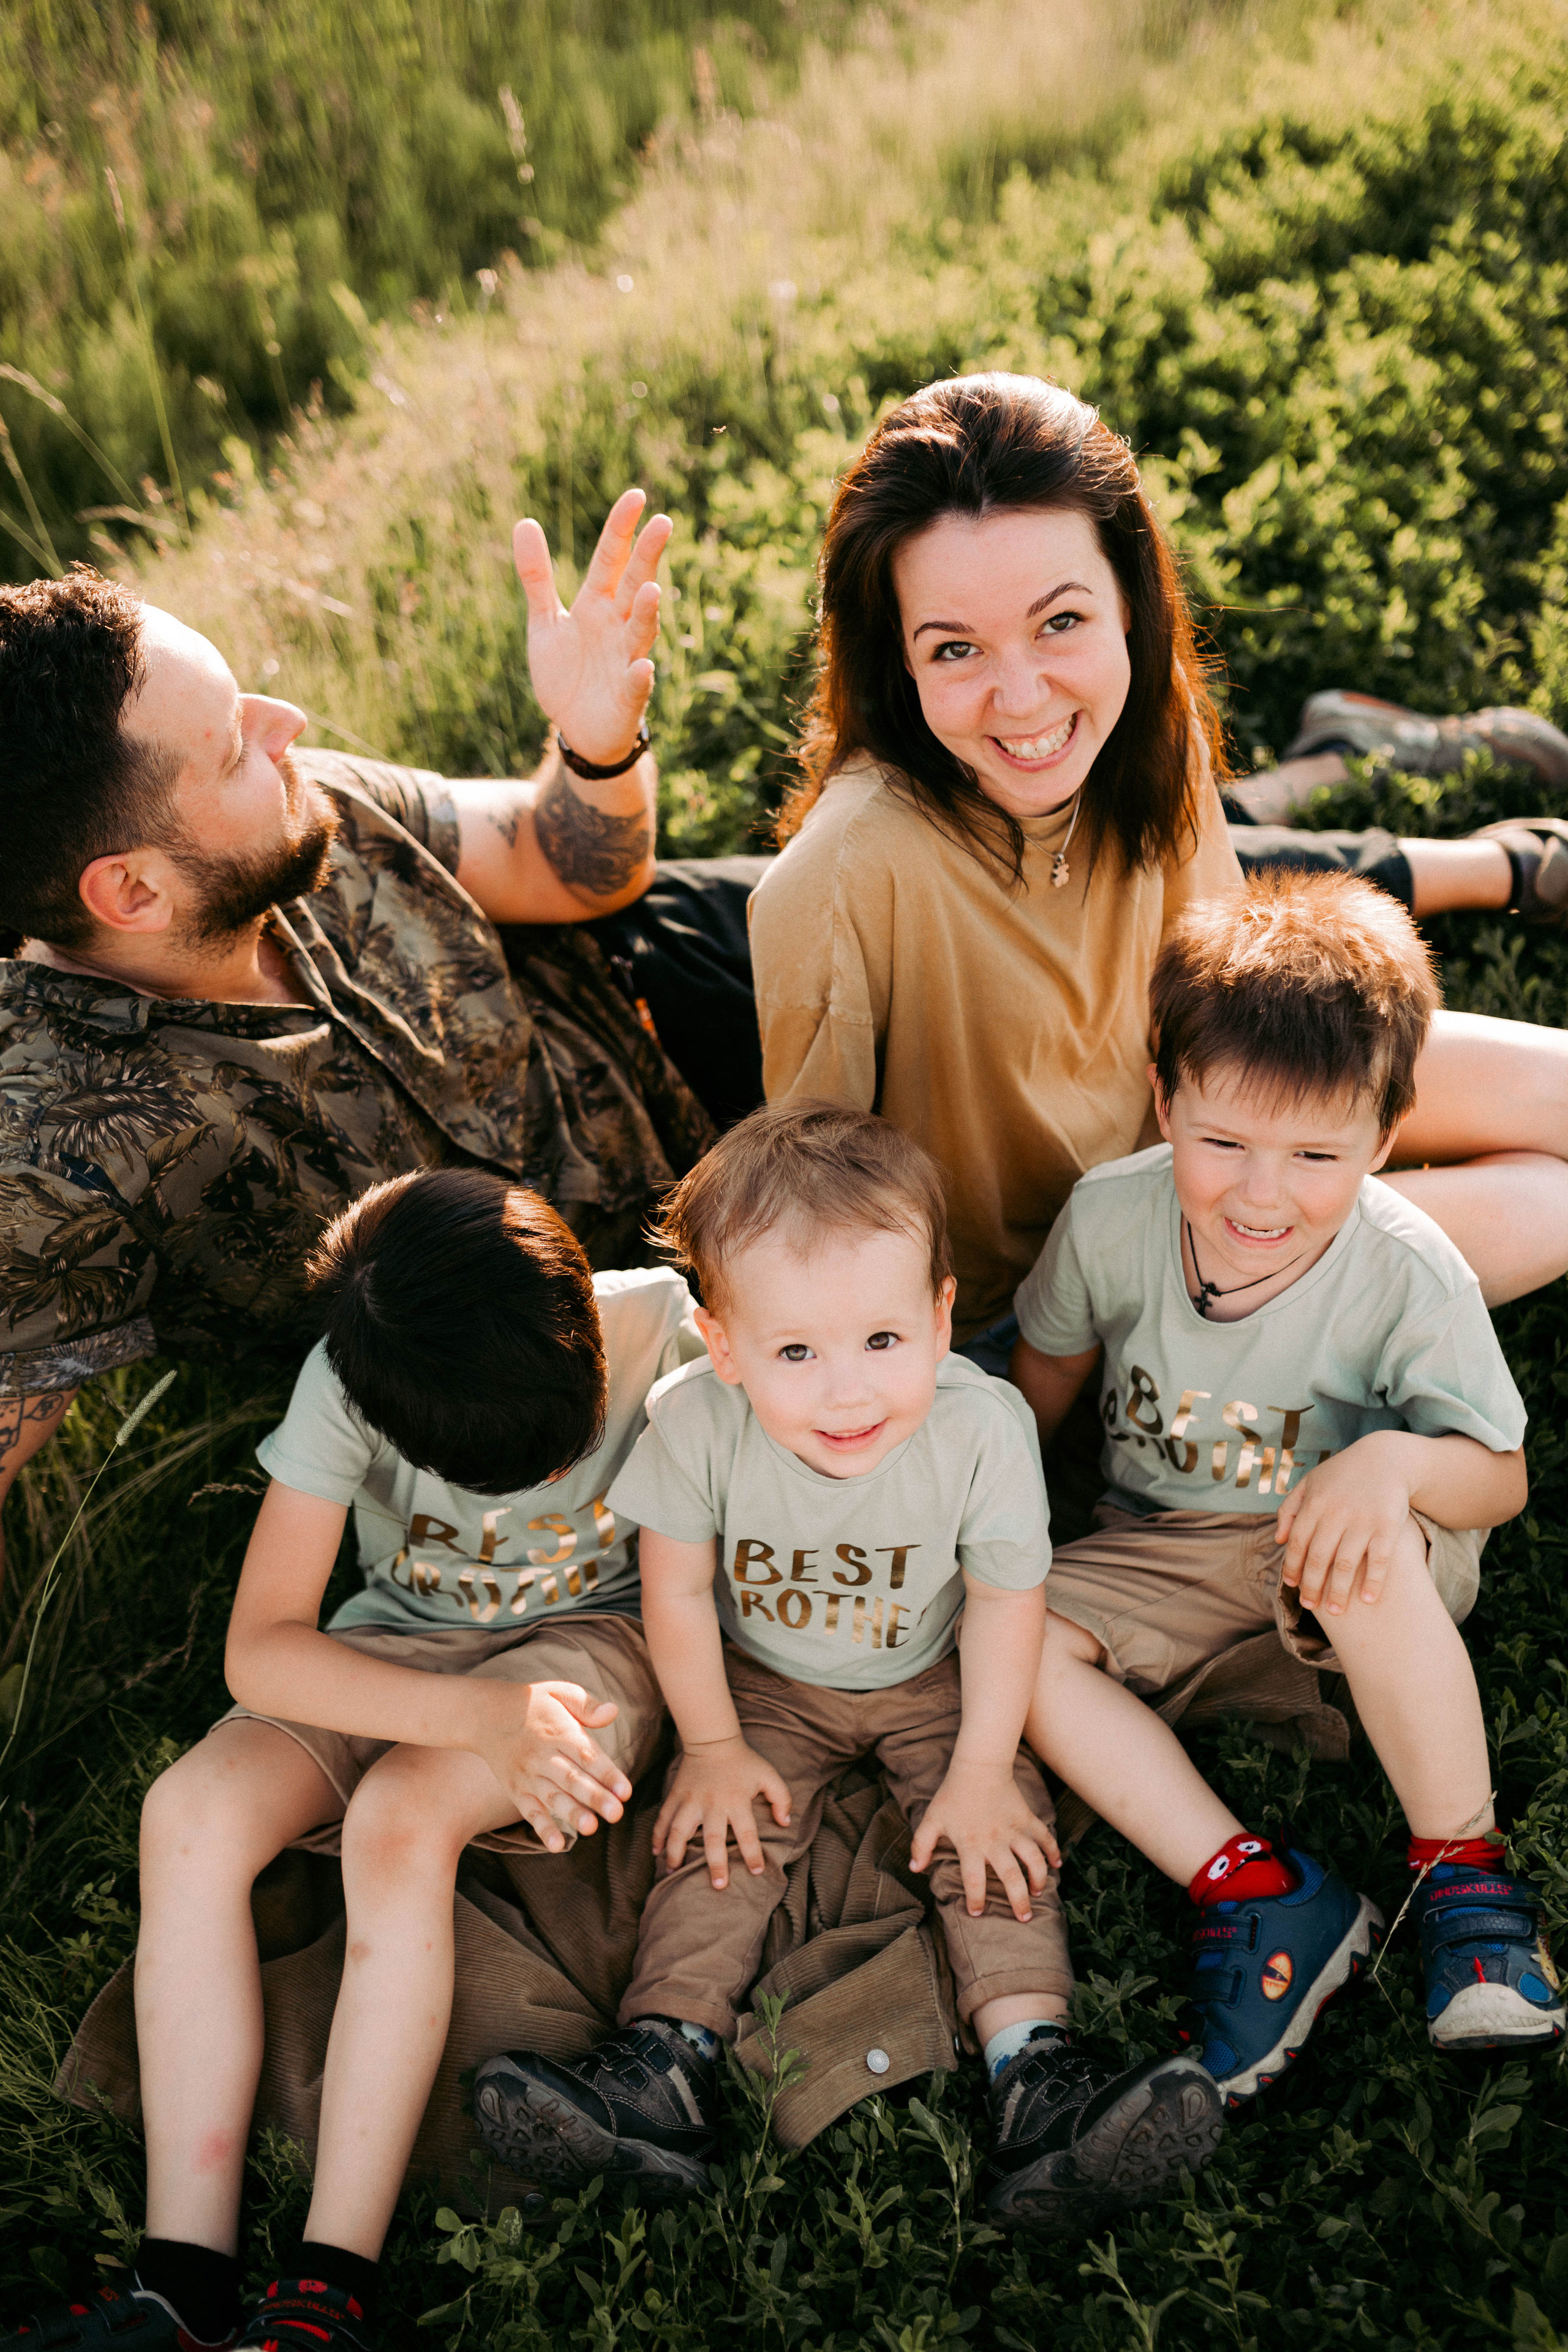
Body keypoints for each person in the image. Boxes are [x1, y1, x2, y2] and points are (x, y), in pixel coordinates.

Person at [470, 1102, 1224, 2235]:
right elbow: (675, 1591)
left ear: (938, 1316)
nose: (847, 1391)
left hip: (938, 1672)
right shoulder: (692, 1421)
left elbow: (1010, 1602)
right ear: (722, 1345)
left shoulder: (985, 1425)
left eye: (882, 1340)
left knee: (997, 1836)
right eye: (794, 1352)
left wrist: (979, 1764)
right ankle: (660, 2063)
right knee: (723, 1841)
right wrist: (714, 1746)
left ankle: (1037, 2076)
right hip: (766, 1681)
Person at [0, 1168, 703, 2352]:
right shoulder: (350, 1375)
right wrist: (477, 1716)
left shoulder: (666, 1326)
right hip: (401, 1642)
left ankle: (330, 2286)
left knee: (398, 1820)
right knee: (189, 1814)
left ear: (581, 1310)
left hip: (600, 1638)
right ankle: (185, 2276)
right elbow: (262, 1651)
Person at [746, 372, 1568, 1375]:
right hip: (1066, 1296)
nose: (1022, 697)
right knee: (1551, 1205)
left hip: (1206, 1122)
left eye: (1061, 623)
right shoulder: (836, 879)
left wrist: (1295, 1134)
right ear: (899, 663)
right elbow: (822, 1231)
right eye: (955, 647)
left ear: (1130, 602)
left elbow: (1228, 989)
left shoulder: (1149, 728)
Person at [0, 493, 712, 1574]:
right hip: (586, 1355)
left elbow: (568, 867)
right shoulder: (48, 1151)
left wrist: (595, 744)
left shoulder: (304, 804)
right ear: (131, 891)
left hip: (652, 1020)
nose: (286, 723)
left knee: (884, 882)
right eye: (235, 742)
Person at [1009, 869, 1564, 2103]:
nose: (1261, 1195)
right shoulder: (1107, 1221)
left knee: (1362, 1556)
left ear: (1382, 1138)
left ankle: (1463, 1880)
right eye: (1222, 1144)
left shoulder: (1403, 1269)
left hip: (1351, 1546)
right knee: (1008, 1640)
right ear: (1163, 1103)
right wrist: (995, 1507)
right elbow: (1045, 1368)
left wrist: (1390, 1463)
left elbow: (1498, 1479)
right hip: (1161, 1543)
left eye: (1314, 1154)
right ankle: (1257, 1890)